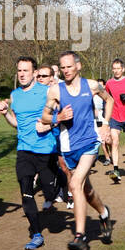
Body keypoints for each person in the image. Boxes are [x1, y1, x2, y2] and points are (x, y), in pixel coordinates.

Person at [39, 50, 114, 250]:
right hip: (68, 147)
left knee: (74, 184)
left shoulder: (91, 85)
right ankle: (104, 212)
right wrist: (58, 117)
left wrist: (105, 124)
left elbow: (110, 100)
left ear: (78, 66)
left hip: (89, 143)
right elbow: (45, 117)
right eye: (62, 67)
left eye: (69, 66)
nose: (66, 71)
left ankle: (80, 237)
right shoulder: (55, 91)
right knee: (85, 190)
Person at [0, 56, 62, 250]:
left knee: (49, 191)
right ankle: (37, 233)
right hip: (24, 150)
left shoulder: (47, 91)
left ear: (34, 73)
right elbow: (16, 123)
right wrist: (6, 112)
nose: (22, 74)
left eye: (25, 71)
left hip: (46, 150)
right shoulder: (15, 95)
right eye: (19, 71)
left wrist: (48, 126)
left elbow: (62, 115)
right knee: (26, 193)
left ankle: (60, 184)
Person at [35, 64, 71, 209]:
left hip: (57, 134)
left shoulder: (57, 92)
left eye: (44, 76)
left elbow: (62, 115)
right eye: (39, 76)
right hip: (40, 137)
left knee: (63, 166)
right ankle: (51, 195)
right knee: (45, 167)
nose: (41, 79)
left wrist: (50, 124)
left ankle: (70, 194)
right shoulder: (35, 92)